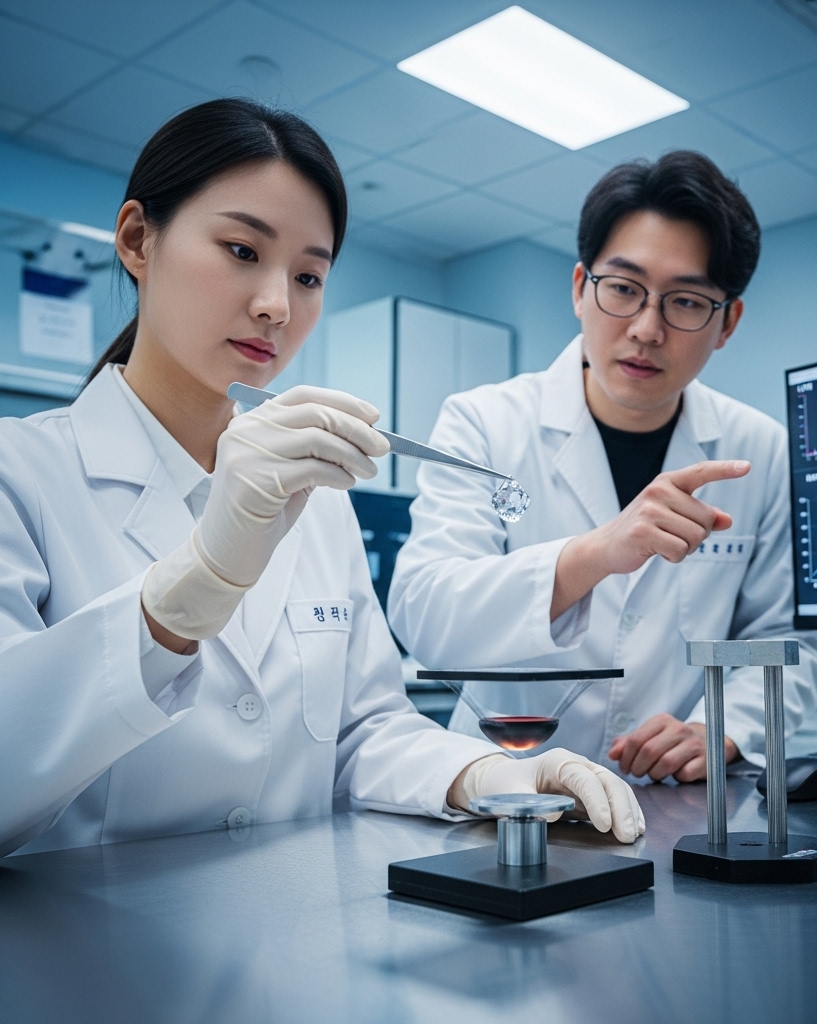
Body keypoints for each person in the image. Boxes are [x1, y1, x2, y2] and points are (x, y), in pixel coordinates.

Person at [0, 99, 643, 859]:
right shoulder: (21, 474)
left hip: (296, 923)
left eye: (308, 275)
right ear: (139, 239)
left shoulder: (319, 501)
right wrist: (187, 592)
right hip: (79, 932)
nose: (277, 305)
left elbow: (365, 729)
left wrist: (488, 775)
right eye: (242, 250)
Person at [389, 151, 817, 782]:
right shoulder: (483, 423)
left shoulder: (759, 451)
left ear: (727, 322)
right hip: (504, 788)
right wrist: (596, 554)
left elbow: (794, 640)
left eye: (686, 302)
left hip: (671, 798)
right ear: (580, 288)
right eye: (624, 289)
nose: (647, 329)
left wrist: (725, 728)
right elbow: (426, 615)